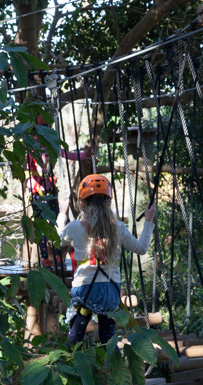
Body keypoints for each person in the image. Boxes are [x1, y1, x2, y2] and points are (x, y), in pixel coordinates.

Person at [57, 174, 157, 345]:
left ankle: (70, 366)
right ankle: (111, 367)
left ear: (82, 203)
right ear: (109, 201)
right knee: (108, 341)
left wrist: (62, 214)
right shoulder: (118, 227)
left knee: (75, 339)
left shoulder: (75, 227)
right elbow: (141, 248)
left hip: (84, 291)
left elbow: (57, 240)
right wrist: (148, 221)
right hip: (110, 291)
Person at [26, 115, 91, 271]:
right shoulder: (30, 151)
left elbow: (67, 154)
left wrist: (85, 155)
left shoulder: (50, 147)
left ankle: (57, 256)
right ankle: (45, 259)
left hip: (50, 191)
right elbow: (35, 170)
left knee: (56, 224)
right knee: (42, 227)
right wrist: (45, 162)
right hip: (38, 193)